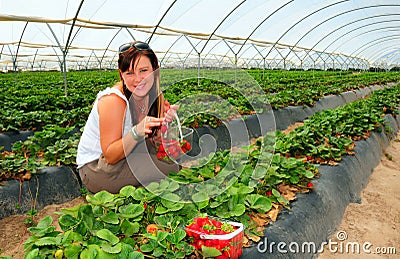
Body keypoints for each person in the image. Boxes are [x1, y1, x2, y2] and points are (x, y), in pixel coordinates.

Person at [76, 41, 180, 194]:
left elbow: (155, 142)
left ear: (155, 70)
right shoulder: (113, 101)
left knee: (169, 163)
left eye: (143, 70)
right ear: (121, 74)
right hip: (98, 167)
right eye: (129, 73)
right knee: (171, 169)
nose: (138, 79)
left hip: (128, 153)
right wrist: (137, 131)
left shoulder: (154, 96)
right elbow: (110, 155)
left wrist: (164, 123)